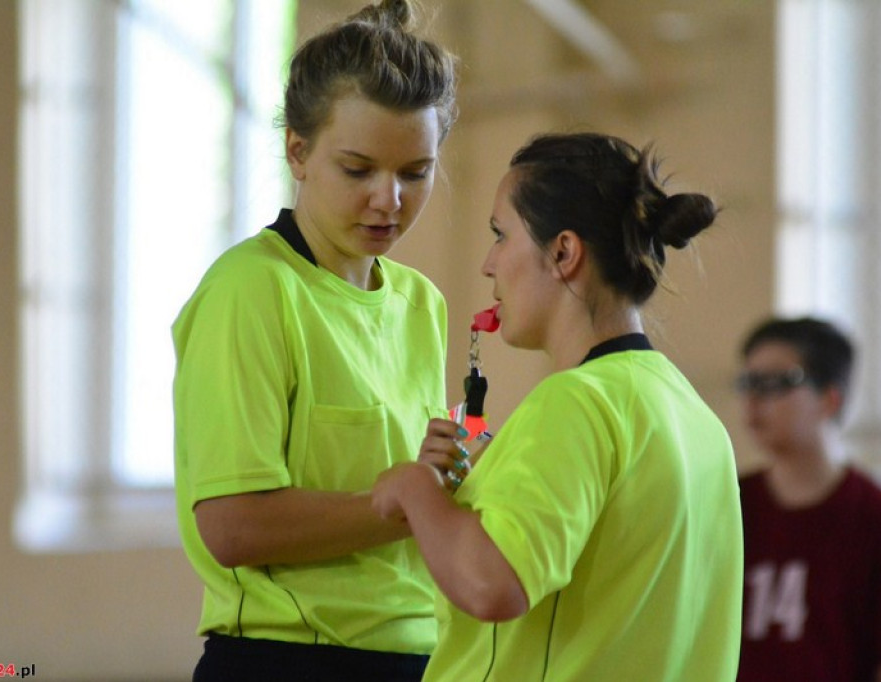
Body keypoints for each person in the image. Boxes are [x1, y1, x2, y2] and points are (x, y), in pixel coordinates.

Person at [371, 132, 744, 681]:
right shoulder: (696, 419)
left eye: (501, 236)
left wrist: (414, 489)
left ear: (564, 252)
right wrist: (487, 479)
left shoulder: (576, 404)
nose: (488, 264)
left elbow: (492, 583)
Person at [170, 1, 458, 679]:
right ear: (298, 152)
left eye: (415, 173)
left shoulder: (422, 304)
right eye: (358, 170)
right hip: (289, 658)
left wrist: (451, 478)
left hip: (421, 655)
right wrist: (401, 502)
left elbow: (405, 495)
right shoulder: (251, 290)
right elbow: (233, 528)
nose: (389, 200)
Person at [735, 316, 881, 681]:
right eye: (749, 382)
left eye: (776, 383)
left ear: (830, 399)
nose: (754, 400)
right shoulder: (729, 507)